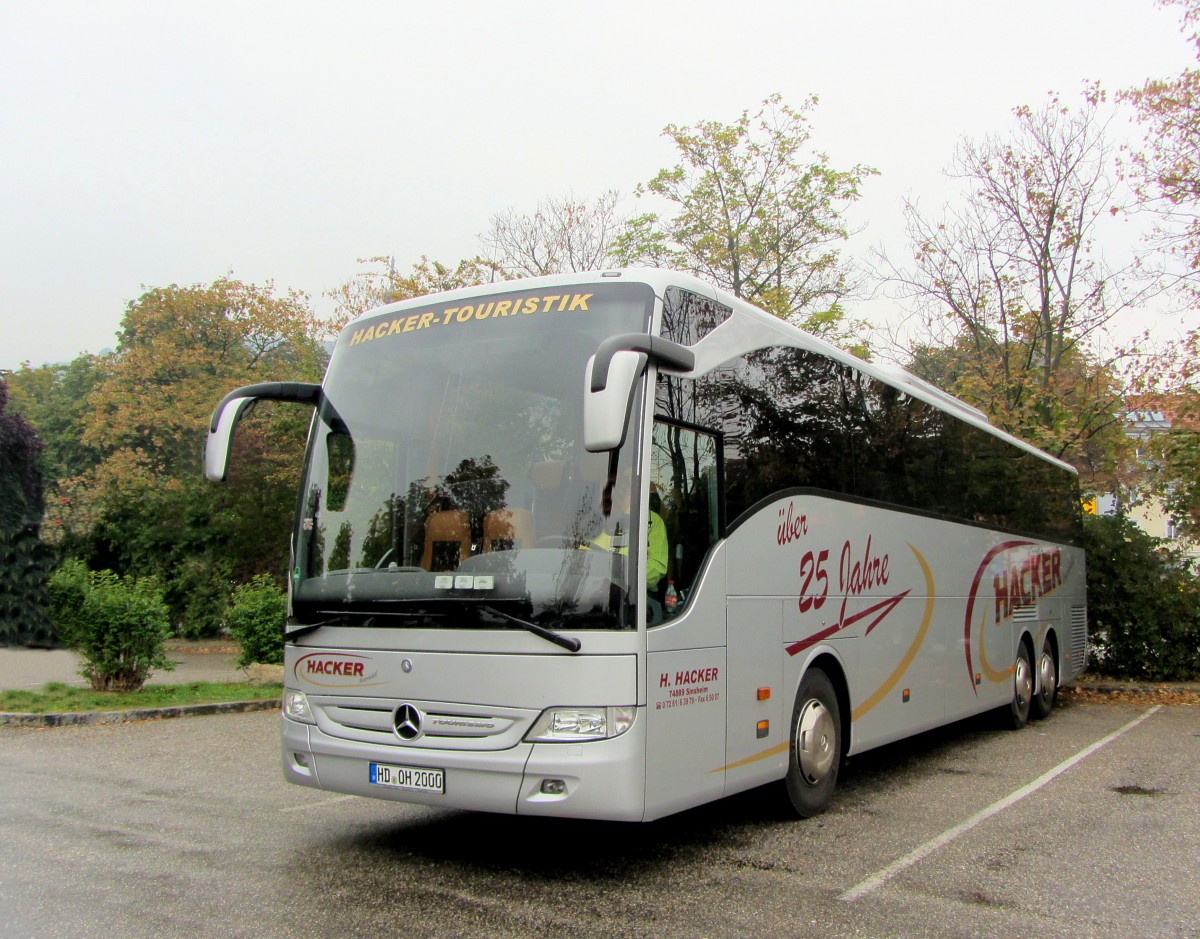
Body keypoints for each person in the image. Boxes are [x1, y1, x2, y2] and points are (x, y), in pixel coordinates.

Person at [581, 467, 668, 593]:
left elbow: (656, 568)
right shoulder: (591, 522)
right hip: (589, 592)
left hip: (636, 597)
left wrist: (619, 575)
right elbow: (579, 561)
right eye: (604, 487)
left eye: (616, 487)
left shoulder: (651, 521)